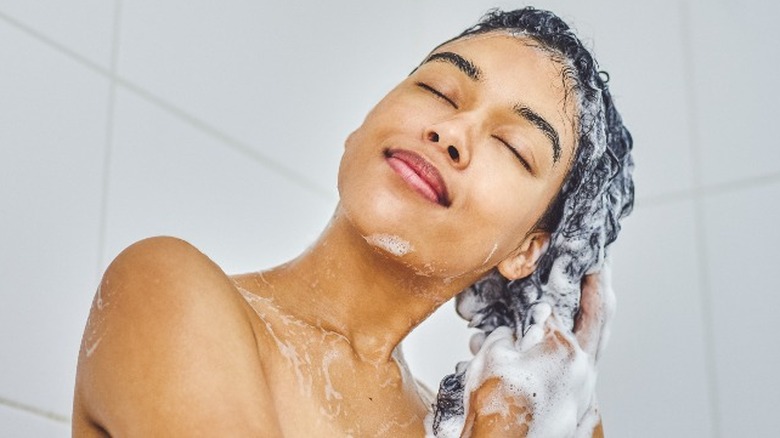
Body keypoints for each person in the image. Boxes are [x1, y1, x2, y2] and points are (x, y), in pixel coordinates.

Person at [72, 6, 633, 437]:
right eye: (438, 90)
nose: (451, 132)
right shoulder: (166, 292)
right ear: (363, 126)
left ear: (526, 251)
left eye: (513, 146)